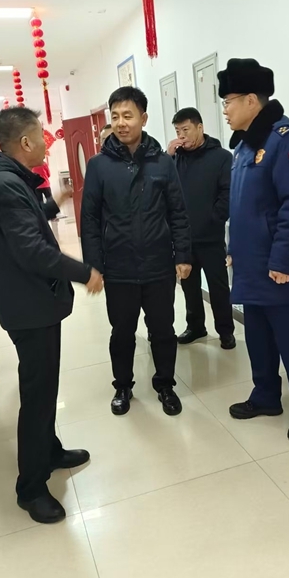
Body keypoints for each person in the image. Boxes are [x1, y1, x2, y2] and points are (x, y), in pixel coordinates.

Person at [0, 107, 102, 524]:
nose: (45, 143)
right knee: (38, 395)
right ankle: (31, 488)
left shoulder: (2, 178)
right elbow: (31, 250)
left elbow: (24, 225)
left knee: (44, 386)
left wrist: (53, 204)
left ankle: (49, 450)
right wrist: (84, 272)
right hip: (29, 305)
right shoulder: (4, 184)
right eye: (41, 136)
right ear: (25, 142)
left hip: (28, 301)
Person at [218, 59, 289, 443]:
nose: (225, 110)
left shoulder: (285, 141)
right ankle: (265, 396)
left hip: (278, 267)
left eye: (228, 101)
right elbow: (243, 209)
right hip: (250, 265)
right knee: (258, 338)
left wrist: (282, 260)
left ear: (251, 100)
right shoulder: (246, 146)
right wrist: (233, 250)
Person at [81, 87, 192, 417]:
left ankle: (165, 384)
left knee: (163, 330)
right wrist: (94, 265)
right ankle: (123, 385)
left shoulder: (163, 163)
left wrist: (183, 254)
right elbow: (89, 219)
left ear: (143, 118)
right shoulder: (99, 165)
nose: (120, 123)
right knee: (122, 332)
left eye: (127, 116)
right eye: (115, 116)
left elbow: (178, 212)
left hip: (158, 264)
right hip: (119, 266)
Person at [166, 107, 235, 350]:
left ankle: (226, 331)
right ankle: (196, 326)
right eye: (178, 131)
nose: (181, 136)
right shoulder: (175, 159)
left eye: (185, 129)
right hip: (183, 238)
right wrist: (168, 156)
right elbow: (163, 188)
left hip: (211, 236)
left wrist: (214, 219)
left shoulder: (222, 157)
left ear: (200, 127)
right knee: (189, 287)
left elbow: (228, 194)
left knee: (218, 287)